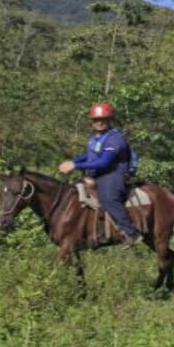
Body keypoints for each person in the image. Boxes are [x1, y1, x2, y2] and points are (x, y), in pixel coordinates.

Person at [58, 102, 142, 247]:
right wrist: (72, 160)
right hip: (99, 173)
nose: (99, 122)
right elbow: (88, 155)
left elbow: (104, 162)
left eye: (103, 119)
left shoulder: (115, 139)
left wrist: (75, 165)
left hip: (114, 174)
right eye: (96, 119)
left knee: (108, 198)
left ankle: (131, 233)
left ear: (109, 120)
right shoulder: (95, 137)